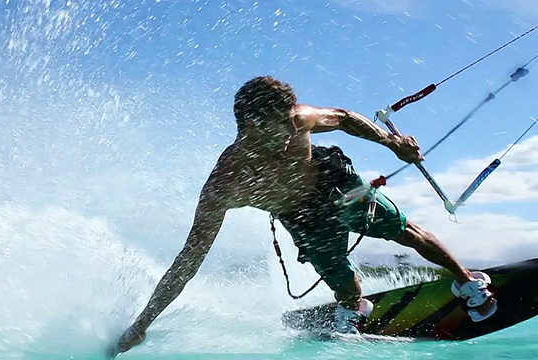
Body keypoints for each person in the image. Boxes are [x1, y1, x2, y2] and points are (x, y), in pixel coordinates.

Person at [109, 76, 497, 356]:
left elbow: (344, 117)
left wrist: (391, 142)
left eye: (292, 122)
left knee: (404, 231)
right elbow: (188, 260)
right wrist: (142, 323)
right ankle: (354, 308)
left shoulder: (301, 117)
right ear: (248, 126)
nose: (290, 132)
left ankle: (466, 281)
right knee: (343, 283)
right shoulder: (225, 183)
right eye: (279, 128)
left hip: (334, 183)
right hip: (302, 218)